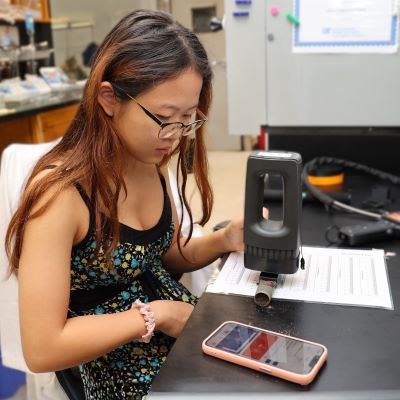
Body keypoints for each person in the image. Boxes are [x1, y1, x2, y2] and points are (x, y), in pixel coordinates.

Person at [5, 9, 243, 400]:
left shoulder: (148, 159)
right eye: (165, 117)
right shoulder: (60, 195)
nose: (176, 136)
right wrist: (158, 315)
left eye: (188, 119)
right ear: (109, 98)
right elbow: (43, 347)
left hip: (180, 333)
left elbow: (160, 255)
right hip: (112, 365)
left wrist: (225, 239)